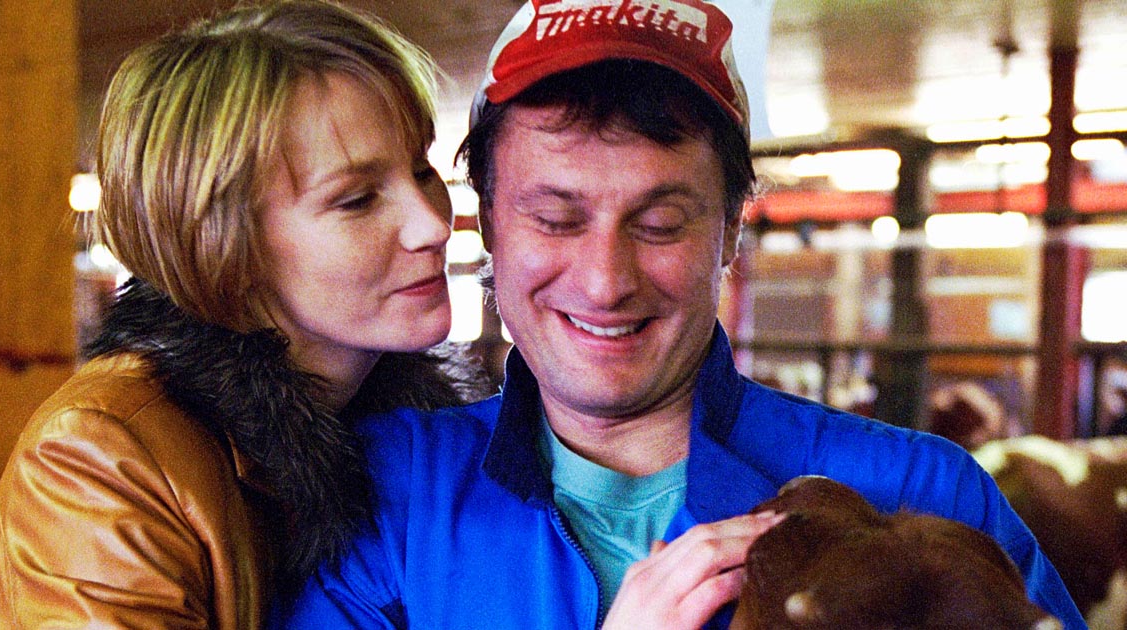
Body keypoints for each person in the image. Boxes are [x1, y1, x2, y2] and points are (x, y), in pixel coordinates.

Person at [280, 1, 1085, 628]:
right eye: (555, 219)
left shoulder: (921, 493)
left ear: (731, 228)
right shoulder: (386, 493)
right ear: (487, 222)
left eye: (661, 224)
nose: (604, 282)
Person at [0, 2, 491, 628]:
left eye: (420, 169)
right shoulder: (103, 456)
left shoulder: (434, 434)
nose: (433, 224)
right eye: (356, 200)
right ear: (224, 242)